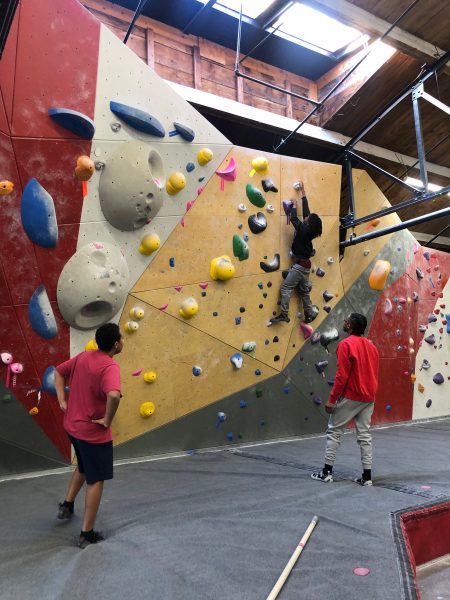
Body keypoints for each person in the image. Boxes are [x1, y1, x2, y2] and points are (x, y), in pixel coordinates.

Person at [55, 322, 123, 548]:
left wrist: (62, 401)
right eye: (121, 338)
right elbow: (113, 395)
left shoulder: (85, 357)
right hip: (93, 435)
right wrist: (107, 420)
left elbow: (59, 371)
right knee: (96, 479)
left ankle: (67, 505)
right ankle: (87, 533)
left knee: (83, 467)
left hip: (72, 427)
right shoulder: (110, 367)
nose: (123, 341)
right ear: (116, 345)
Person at [311, 313, 380, 486]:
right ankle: (367, 477)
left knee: (334, 432)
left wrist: (332, 399)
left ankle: (326, 473)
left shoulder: (345, 345)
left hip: (351, 396)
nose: (344, 322)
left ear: (350, 326)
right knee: (365, 436)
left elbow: (342, 376)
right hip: (368, 397)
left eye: (346, 320)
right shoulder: (372, 347)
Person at [269, 180, 322, 325]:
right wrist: (303, 194)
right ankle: (309, 313)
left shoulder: (304, 229)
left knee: (286, 288)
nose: (306, 216)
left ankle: (284, 314)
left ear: (308, 223)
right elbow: (307, 212)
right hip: (305, 266)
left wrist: (293, 207)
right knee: (304, 292)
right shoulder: (310, 230)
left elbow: (293, 218)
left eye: (308, 218)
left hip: (300, 266)